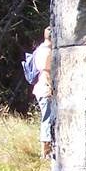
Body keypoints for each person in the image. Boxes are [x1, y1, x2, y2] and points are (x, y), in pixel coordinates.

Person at [33, 26, 55, 159]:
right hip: (45, 90)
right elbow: (46, 72)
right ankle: (45, 153)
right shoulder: (47, 52)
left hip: (40, 89)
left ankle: (47, 151)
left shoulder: (40, 49)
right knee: (47, 119)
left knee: (47, 119)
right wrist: (52, 89)